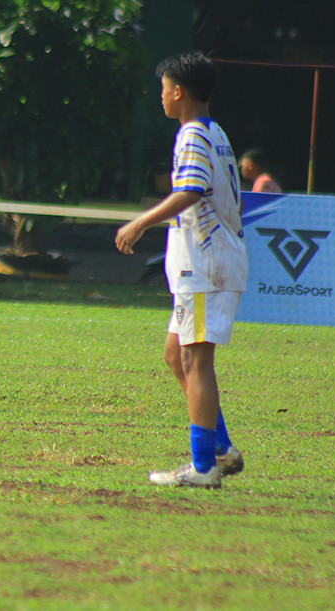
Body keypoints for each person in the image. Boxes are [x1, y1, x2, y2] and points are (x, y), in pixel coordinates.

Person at [115, 52, 247, 488]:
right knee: (177, 356)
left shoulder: (191, 135)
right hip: (204, 267)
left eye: (163, 88)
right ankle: (221, 448)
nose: (161, 96)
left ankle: (204, 467)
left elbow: (191, 190)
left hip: (207, 267)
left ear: (179, 92)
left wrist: (139, 222)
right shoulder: (216, 132)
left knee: (196, 360)